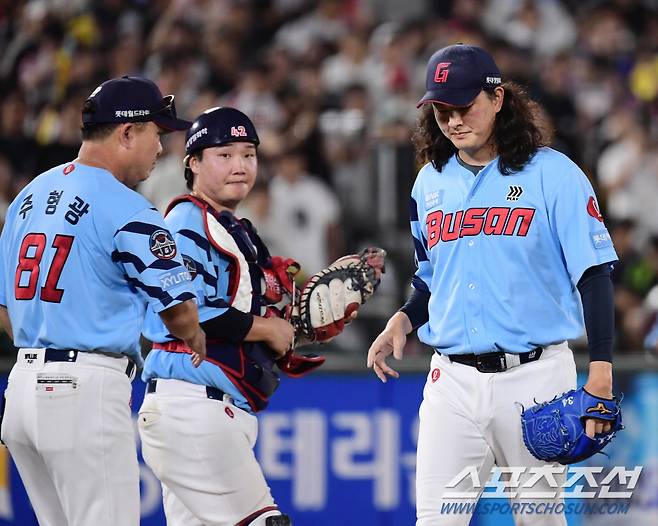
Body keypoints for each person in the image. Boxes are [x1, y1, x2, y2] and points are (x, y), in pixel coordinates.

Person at [367, 44, 619, 526]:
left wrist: (602, 369)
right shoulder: (430, 182)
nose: (454, 120)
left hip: (535, 378)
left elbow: (594, 273)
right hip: (452, 381)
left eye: (465, 106)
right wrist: (404, 318)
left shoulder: (554, 174)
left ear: (498, 98)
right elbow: (432, 274)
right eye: (442, 109)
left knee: (538, 521)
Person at [0, 75, 207, 526]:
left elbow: (6, 312)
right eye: (157, 132)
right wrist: (196, 337)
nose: (161, 147)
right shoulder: (127, 207)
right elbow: (182, 315)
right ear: (127, 132)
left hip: (19, 393)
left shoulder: (27, 197)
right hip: (84, 391)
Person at [138, 106, 307, 526]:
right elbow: (184, 311)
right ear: (192, 163)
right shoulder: (185, 220)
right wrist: (268, 328)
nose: (240, 166)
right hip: (193, 407)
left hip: (206, 407)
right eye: (225, 154)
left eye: (248, 154)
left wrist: (288, 325)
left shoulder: (228, 225)